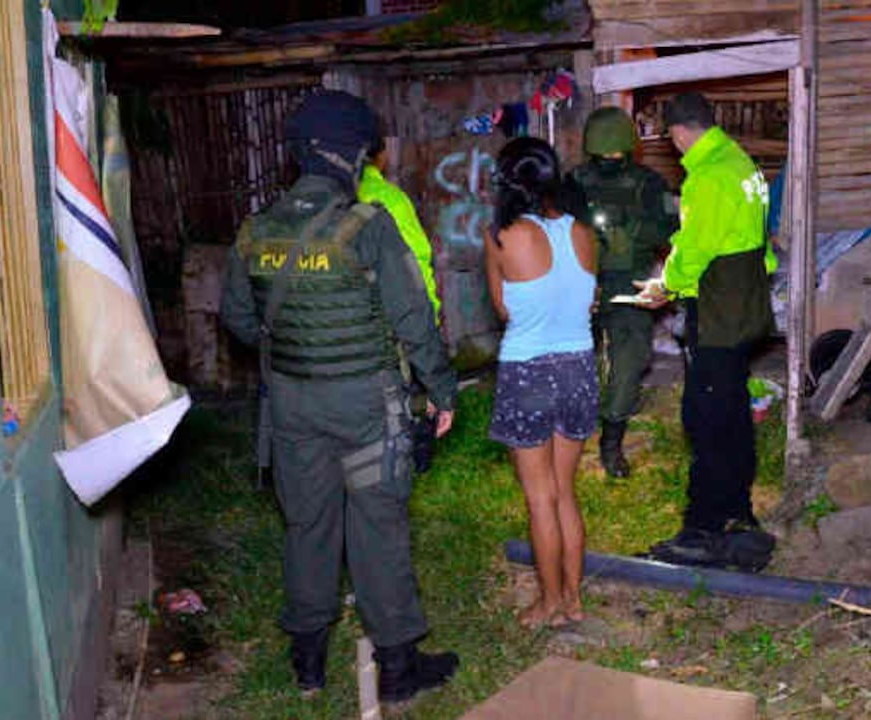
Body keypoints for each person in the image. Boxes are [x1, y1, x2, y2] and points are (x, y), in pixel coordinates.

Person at [220, 90, 459, 701]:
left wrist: (297, 353)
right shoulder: (368, 225)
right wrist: (441, 389)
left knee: (308, 525)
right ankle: (400, 670)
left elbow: (240, 321)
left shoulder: (255, 229)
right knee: (377, 527)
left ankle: (308, 663)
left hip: (293, 406)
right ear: (350, 158)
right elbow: (413, 319)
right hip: (365, 407)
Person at [635, 92, 779, 571]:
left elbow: (696, 251)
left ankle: (702, 530)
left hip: (718, 309)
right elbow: (752, 238)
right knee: (733, 414)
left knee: (707, 418)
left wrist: (665, 286)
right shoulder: (742, 163)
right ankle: (738, 512)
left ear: (677, 133)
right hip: (746, 304)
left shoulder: (707, 176)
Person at [483, 138, 599, 628]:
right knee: (566, 493)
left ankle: (549, 601)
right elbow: (587, 302)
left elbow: (504, 308)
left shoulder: (503, 235)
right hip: (578, 366)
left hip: (527, 370)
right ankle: (572, 598)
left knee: (540, 498)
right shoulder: (582, 232)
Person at [565, 107, 676, 478]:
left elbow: (667, 232)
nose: (610, 161)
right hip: (581, 287)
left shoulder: (649, 184)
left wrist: (630, 230)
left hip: (629, 285)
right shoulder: (573, 183)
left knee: (628, 367)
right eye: (603, 156)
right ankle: (569, 434)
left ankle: (611, 444)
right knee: (575, 367)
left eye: (616, 155)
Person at [358, 136, 442, 474]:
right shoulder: (388, 198)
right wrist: (431, 316)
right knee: (402, 398)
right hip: (390, 323)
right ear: (380, 156)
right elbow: (417, 264)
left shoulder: (318, 199)